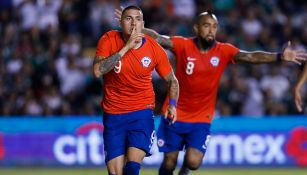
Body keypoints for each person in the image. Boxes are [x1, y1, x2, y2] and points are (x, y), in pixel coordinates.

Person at [115, 9, 307, 175]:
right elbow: (158, 38)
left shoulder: (223, 51)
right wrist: (135, 28)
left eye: (214, 26)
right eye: (206, 26)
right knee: (169, 162)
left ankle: (186, 171)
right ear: (196, 29)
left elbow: (250, 56)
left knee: (193, 162)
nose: (211, 30)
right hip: (175, 113)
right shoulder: (183, 45)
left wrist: (280, 56)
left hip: (201, 118)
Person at [93, 6, 179, 175]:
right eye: (128, 19)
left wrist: (173, 104)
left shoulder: (154, 49)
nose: (133, 23)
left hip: (141, 113)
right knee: (116, 173)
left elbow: (172, 80)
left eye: (138, 19)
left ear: (143, 24)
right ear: (120, 22)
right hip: (113, 114)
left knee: (132, 168)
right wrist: (126, 48)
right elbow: (97, 71)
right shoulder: (108, 39)